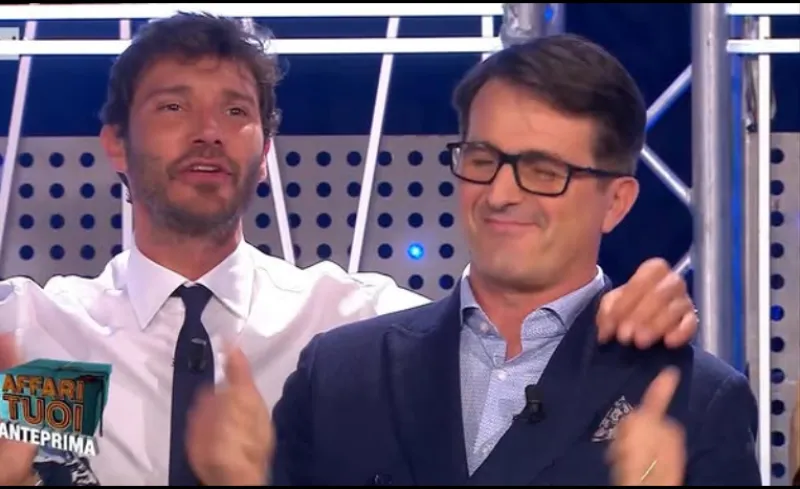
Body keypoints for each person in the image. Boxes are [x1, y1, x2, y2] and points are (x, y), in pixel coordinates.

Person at [0, 14, 699, 486]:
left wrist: (627, 310)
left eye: (236, 110)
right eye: (173, 106)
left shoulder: (352, 329)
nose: (208, 131)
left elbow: (513, 319)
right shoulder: (32, 333)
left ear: (265, 152)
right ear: (116, 144)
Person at [270, 34, 762, 486]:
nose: (500, 194)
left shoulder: (695, 403)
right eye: (482, 161)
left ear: (616, 202)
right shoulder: (338, 375)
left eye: (543, 171)